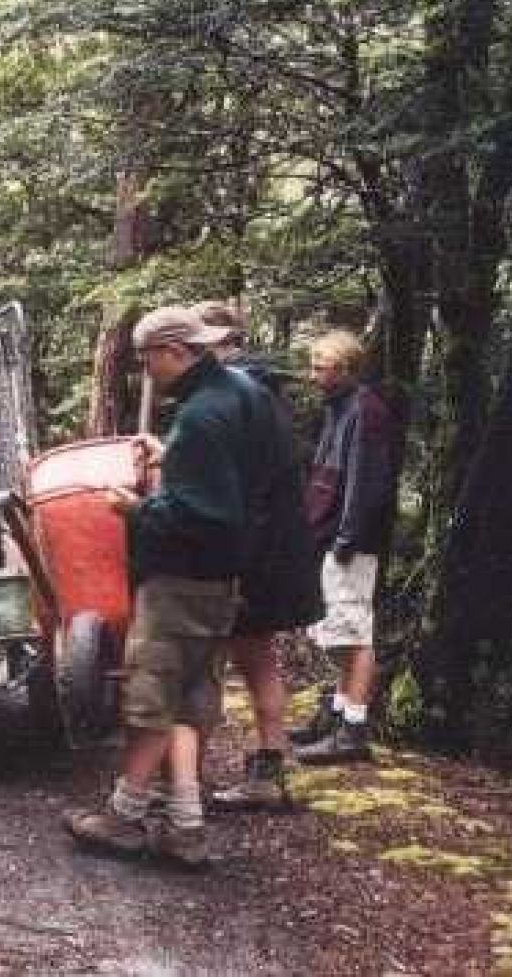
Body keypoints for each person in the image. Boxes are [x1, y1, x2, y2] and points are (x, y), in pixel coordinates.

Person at [65, 306, 265, 868]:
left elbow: (205, 514)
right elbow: (232, 483)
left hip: (181, 580)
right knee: (192, 700)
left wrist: (139, 508)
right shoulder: (237, 393)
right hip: (219, 580)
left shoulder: (202, 415)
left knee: (151, 696)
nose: (144, 370)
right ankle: (186, 825)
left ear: (174, 351)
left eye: (146, 358)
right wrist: (171, 456)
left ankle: (124, 818)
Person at [189, 301, 324, 810]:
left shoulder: (237, 395)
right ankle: (262, 772)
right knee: (255, 660)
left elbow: (240, 484)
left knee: (213, 662)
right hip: (272, 548)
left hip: (254, 554)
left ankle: (186, 781)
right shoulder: (263, 393)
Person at [293, 330, 399, 765]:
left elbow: (365, 484)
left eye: (323, 368)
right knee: (338, 631)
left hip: (351, 542)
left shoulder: (365, 411)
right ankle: (336, 716)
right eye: (314, 366)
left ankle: (352, 731)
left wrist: (346, 540)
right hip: (333, 536)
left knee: (353, 633)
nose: (314, 375)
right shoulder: (340, 407)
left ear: (347, 370)